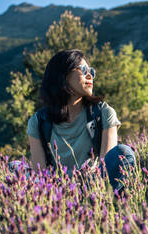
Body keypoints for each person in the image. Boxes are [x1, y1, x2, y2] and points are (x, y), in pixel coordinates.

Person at [26, 49, 136, 190]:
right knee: (14, 167)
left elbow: (105, 166)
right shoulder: (39, 121)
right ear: (62, 75)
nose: (90, 75)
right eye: (83, 69)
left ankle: (112, 206)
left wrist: (87, 188)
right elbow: (39, 174)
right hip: (57, 192)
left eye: (92, 71)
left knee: (123, 152)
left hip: (94, 187)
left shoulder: (103, 113)